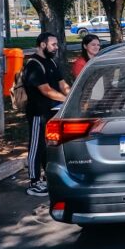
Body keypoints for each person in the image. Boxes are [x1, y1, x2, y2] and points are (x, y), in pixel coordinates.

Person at [24, 32, 71, 196]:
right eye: (53, 44)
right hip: (38, 113)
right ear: (43, 45)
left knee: (47, 146)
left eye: (56, 45)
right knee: (36, 146)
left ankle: (46, 177)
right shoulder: (33, 65)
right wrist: (67, 100)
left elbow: (62, 84)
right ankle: (33, 182)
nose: (56, 48)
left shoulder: (51, 61)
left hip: (52, 112)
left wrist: (72, 96)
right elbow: (46, 90)